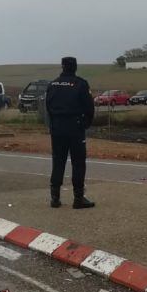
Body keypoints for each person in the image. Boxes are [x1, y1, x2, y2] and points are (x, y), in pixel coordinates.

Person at [45, 56, 96, 209]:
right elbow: (89, 107)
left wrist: (53, 123)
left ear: (62, 66)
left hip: (57, 128)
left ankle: (55, 198)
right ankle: (78, 198)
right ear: (75, 67)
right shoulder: (80, 84)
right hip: (75, 128)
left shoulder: (53, 84)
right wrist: (85, 124)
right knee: (78, 163)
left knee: (58, 161)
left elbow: (47, 106)